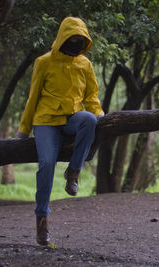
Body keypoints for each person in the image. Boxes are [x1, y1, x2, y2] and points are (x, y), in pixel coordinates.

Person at [17, 17, 104, 246]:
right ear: (62, 38)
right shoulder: (43, 62)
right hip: (45, 121)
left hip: (72, 119)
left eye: (80, 40)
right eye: (71, 39)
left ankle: (73, 173)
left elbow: (91, 96)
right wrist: (24, 128)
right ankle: (42, 219)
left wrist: (99, 112)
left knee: (89, 120)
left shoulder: (85, 64)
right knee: (46, 164)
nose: (75, 44)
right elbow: (33, 96)